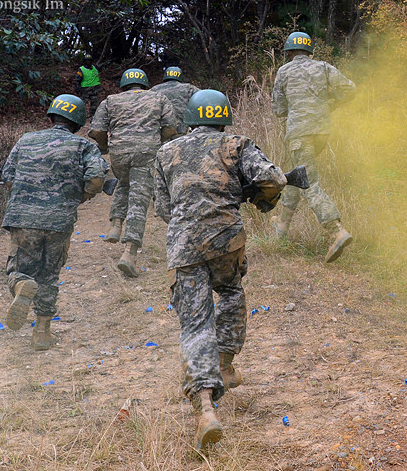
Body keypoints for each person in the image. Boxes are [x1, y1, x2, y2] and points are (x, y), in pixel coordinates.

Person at [154, 89, 287, 451]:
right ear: (223, 116)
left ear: (192, 118)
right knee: (229, 292)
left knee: (195, 325)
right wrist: (261, 199)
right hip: (227, 239)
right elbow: (274, 178)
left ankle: (205, 409)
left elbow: (163, 207)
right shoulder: (237, 144)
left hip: (184, 245)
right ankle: (225, 364)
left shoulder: (166, 152)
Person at [1, 94, 108, 350]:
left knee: (20, 269)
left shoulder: (26, 139)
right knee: (50, 274)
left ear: (51, 116)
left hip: (23, 218)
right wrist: (78, 198)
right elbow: (96, 178)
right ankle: (42, 332)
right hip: (60, 220)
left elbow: (8, 176)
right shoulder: (84, 146)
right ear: (78, 121)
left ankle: (21, 284)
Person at [271, 31, 356, 263]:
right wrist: (330, 104)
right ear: (309, 51)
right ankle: (282, 225)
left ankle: (336, 230)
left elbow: (278, 109)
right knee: (298, 175)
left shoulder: (284, 71)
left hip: (299, 134)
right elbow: (350, 88)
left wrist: (295, 110)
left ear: (289, 52)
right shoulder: (323, 67)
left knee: (309, 182)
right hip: (321, 132)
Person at [88, 68, 175, 277]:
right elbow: (171, 128)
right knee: (139, 198)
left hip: (119, 153)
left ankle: (116, 223)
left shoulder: (110, 100)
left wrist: (105, 148)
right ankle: (129, 252)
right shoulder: (159, 98)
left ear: (124, 84)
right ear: (144, 83)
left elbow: (97, 130)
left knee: (124, 182)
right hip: (146, 152)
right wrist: (160, 143)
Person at [149, 66, 200, 143]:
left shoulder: (154, 90)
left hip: (161, 134)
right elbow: (202, 100)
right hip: (182, 134)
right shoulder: (190, 88)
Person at [74, 53, 101, 120]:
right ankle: (80, 116)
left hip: (94, 89)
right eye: (87, 60)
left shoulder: (95, 68)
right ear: (84, 61)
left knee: (94, 103)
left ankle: (93, 117)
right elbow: (77, 79)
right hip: (85, 89)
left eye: (90, 60)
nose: (88, 62)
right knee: (82, 104)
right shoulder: (81, 69)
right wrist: (77, 87)